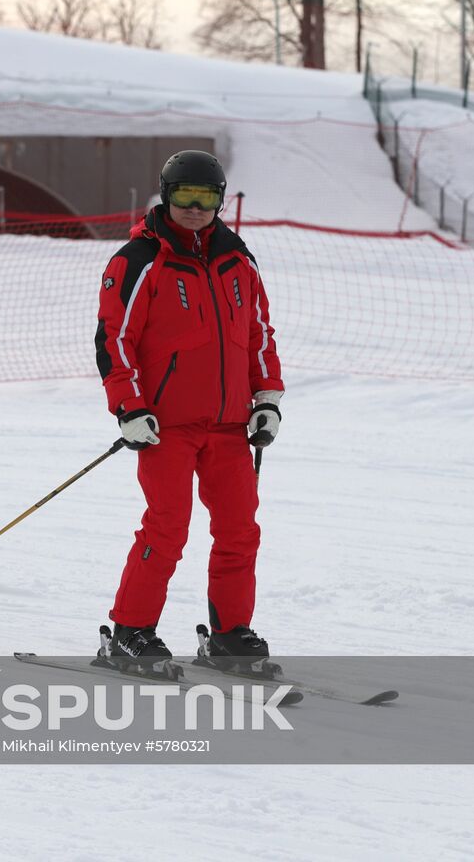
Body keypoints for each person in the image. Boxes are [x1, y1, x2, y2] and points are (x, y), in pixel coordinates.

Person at [94, 150, 285, 669]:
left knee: (240, 531)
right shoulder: (138, 260)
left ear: (220, 201)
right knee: (167, 528)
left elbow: (259, 333)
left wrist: (267, 398)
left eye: (205, 197)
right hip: (165, 427)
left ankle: (229, 634)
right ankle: (130, 632)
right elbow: (114, 339)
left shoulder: (238, 260)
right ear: (166, 195)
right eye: (184, 195)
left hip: (229, 426)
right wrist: (129, 407)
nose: (194, 207)